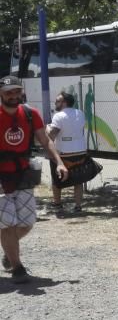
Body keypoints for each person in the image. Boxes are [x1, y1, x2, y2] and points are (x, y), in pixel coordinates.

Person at [0, 76, 68, 283]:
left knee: (27, 222)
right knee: (7, 224)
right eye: (8, 92)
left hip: (22, 174)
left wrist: (59, 162)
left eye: (16, 91)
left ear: (22, 92)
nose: (13, 96)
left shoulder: (30, 114)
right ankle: (18, 266)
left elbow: (45, 140)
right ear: (1, 94)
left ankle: (8, 249)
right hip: (1, 176)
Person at [47, 92, 88, 213]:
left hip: (63, 153)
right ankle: (78, 206)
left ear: (64, 102)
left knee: (57, 179)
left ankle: (57, 204)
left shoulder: (58, 116)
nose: (55, 103)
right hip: (80, 151)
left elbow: (52, 135)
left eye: (58, 101)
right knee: (78, 181)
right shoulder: (80, 113)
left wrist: (47, 128)